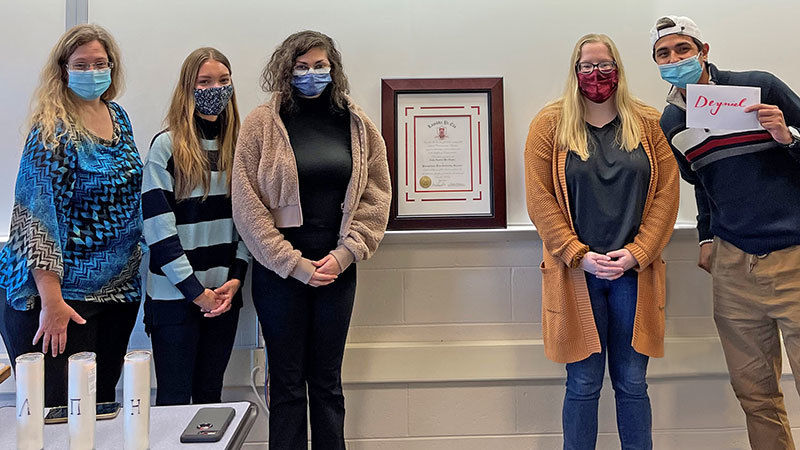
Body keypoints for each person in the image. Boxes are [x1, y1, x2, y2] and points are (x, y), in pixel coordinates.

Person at [232, 30, 391, 449]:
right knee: (285, 384)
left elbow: (377, 193)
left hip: (337, 267)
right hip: (279, 271)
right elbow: (246, 204)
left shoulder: (356, 124)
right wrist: (292, 263)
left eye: (320, 66)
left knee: (327, 383)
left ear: (333, 69)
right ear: (286, 70)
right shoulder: (261, 124)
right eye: (302, 67)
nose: (311, 74)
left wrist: (346, 254)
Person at [650, 16, 800, 449]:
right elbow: (702, 182)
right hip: (734, 265)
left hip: (793, 255)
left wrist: (786, 136)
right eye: (664, 54)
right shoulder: (671, 121)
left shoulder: (760, 87)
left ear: (704, 50)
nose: (674, 59)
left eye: (683, 49)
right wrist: (705, 236)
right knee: (755, 394)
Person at [524, 33, 679, 449]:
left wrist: (637, 254)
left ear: (619, 69)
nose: (597, 75)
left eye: (605, 65)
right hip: (577, 274)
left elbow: (667, 194)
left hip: (635, 274)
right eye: (588, 66)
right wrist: (580, 256)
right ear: (575, 72)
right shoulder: (549, 125)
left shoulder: (648, 123)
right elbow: (539, 200)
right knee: (583, 383)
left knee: (632, 383)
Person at [0, 24, 143, 407]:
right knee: (59, 412)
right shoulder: (52, 129)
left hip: (117, 291)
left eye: (100, 63)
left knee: (99, 408)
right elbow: (36, 219)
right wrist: (51, 301)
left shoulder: (118, 116)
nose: (92, 71)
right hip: (57, 300)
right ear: (63, 69)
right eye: (81, 64)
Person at [142, 47, 250, 406]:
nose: (214, 89)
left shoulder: (240, 146)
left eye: (223, 81)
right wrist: (194, 291)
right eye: (204, 82)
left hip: (223, 297)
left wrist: (236, 278)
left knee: (209, 400)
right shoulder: (167, 147)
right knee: (173, 401)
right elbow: (159, 229)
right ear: (188, 87)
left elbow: (249, 221)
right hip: (175, 299)